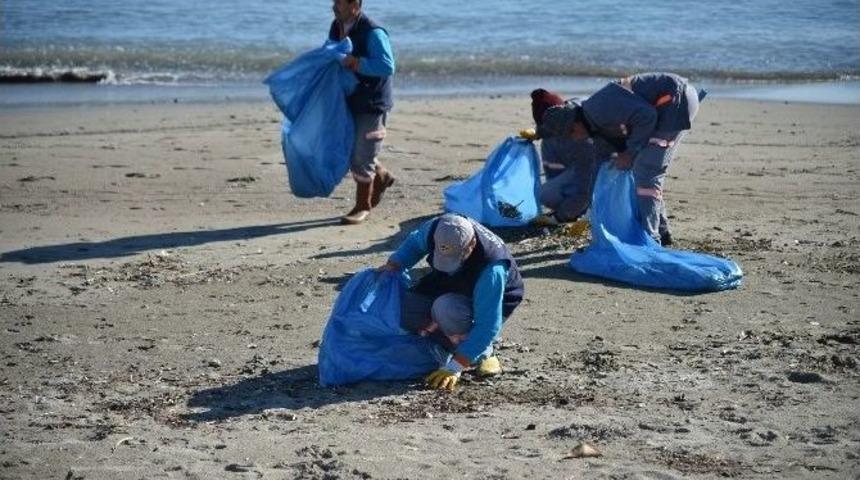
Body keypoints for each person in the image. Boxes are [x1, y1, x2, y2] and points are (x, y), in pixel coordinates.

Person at [525, 73, 704, 245]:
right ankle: (662, 232)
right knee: (643, 171)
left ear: (575, 124)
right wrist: (589, 214)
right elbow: (597, 168)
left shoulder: (599, 109)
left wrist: (630, 153)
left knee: (646, 171)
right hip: (665, 106)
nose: (574, 139)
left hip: (674, 100)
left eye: (571, 134)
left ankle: (651, 239)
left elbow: (647, 115)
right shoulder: (594, 129)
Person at [380, 214, 524, 390]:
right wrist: (394, 265)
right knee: (402, 306)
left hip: (488, 298)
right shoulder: (439, 227)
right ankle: (446, 344)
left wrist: (455, 367)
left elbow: (488, 324)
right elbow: (413, 245)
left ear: (471, 245)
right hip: (450, 281)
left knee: (447, 309)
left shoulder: (492, 268)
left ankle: (483, 353)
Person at [330, 0, 396, 224]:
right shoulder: (336, 26)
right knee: (350, 146)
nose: (334, 6)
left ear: (355, 5)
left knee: (361, 153)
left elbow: (387, 65)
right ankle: (382, 175)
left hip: (372, 101)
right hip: (349, 97)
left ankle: (362, 205)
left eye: (339, 2)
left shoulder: (373, 32)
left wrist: (355, 63)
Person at [525, 89, 599, 225]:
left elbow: (585, 188)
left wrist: (560, 217)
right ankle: (575, 206)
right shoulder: (560, 116)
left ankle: (589, 208)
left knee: (550, 195)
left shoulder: (584, 139)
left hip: (607, 171)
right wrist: (537, 132)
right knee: (547, 195)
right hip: (577, 168)